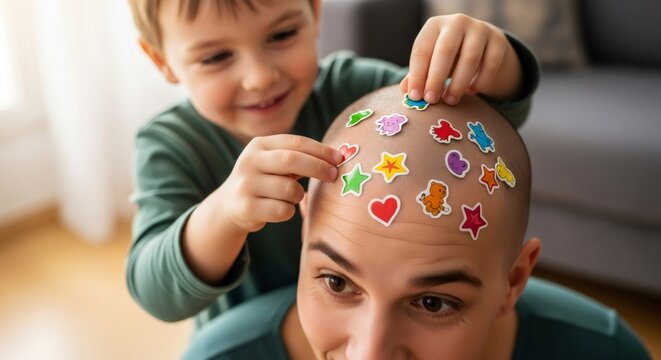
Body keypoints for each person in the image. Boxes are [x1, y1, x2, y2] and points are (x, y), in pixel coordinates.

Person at [125, 0, 540, 328]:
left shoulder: (356, 89)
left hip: (381, 330)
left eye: (282, 34)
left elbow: (481, 128)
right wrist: (224, 213)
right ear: (161, 61)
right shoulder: (170, 144)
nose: (260, 77)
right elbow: (154, 293)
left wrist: (496, 62)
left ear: (315, 12)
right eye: (215, 57)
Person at [182, 85, 652, 359]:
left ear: (515, 279)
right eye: (337, 282)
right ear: (305, 234)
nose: (370, 353)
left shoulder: (603, 352)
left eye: (432, 302)